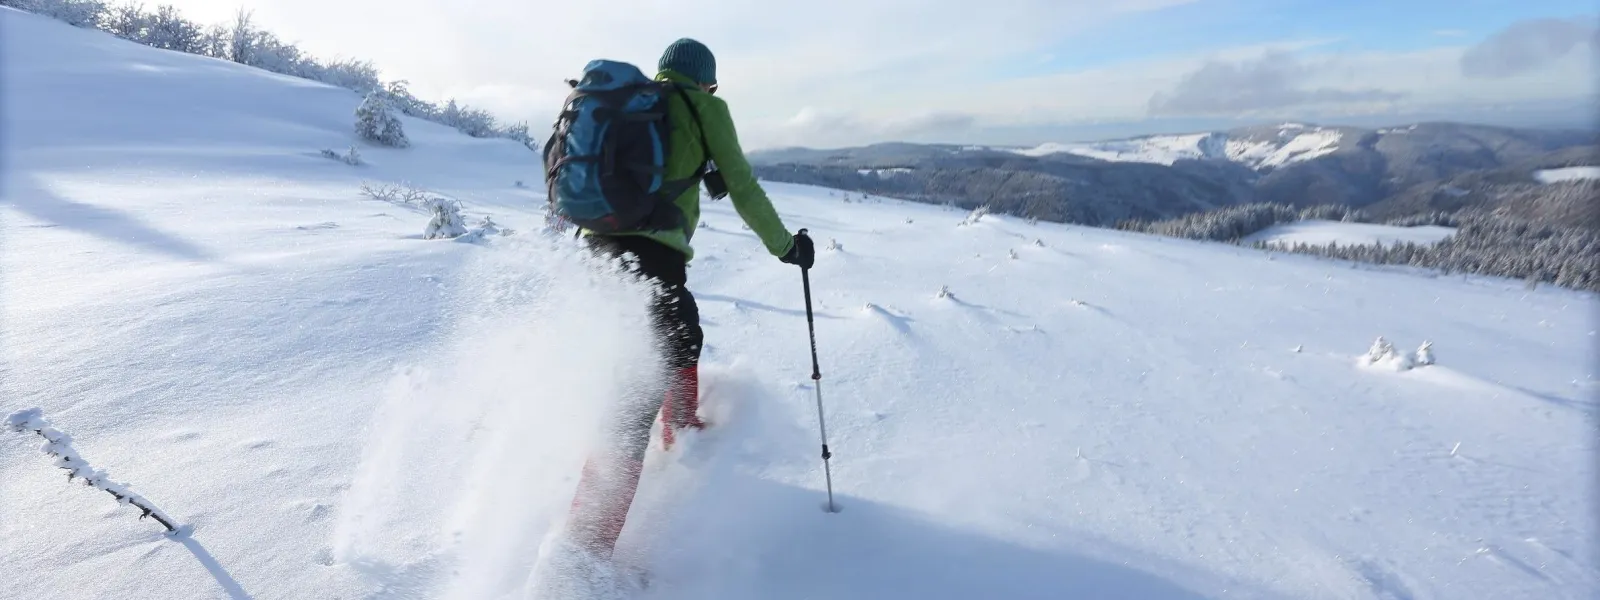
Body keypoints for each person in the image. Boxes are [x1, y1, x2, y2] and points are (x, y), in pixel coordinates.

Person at [564, 37, 816, 560]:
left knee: (681, 332)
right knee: (631, 402)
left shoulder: (635, 108)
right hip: (652, 260)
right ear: (705, 80)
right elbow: (744, 188)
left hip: (595, 255)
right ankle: (582, 554)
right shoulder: (704, 108)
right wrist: (787, 247)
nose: (712, 90)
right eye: (713, 84)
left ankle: (680, 430)